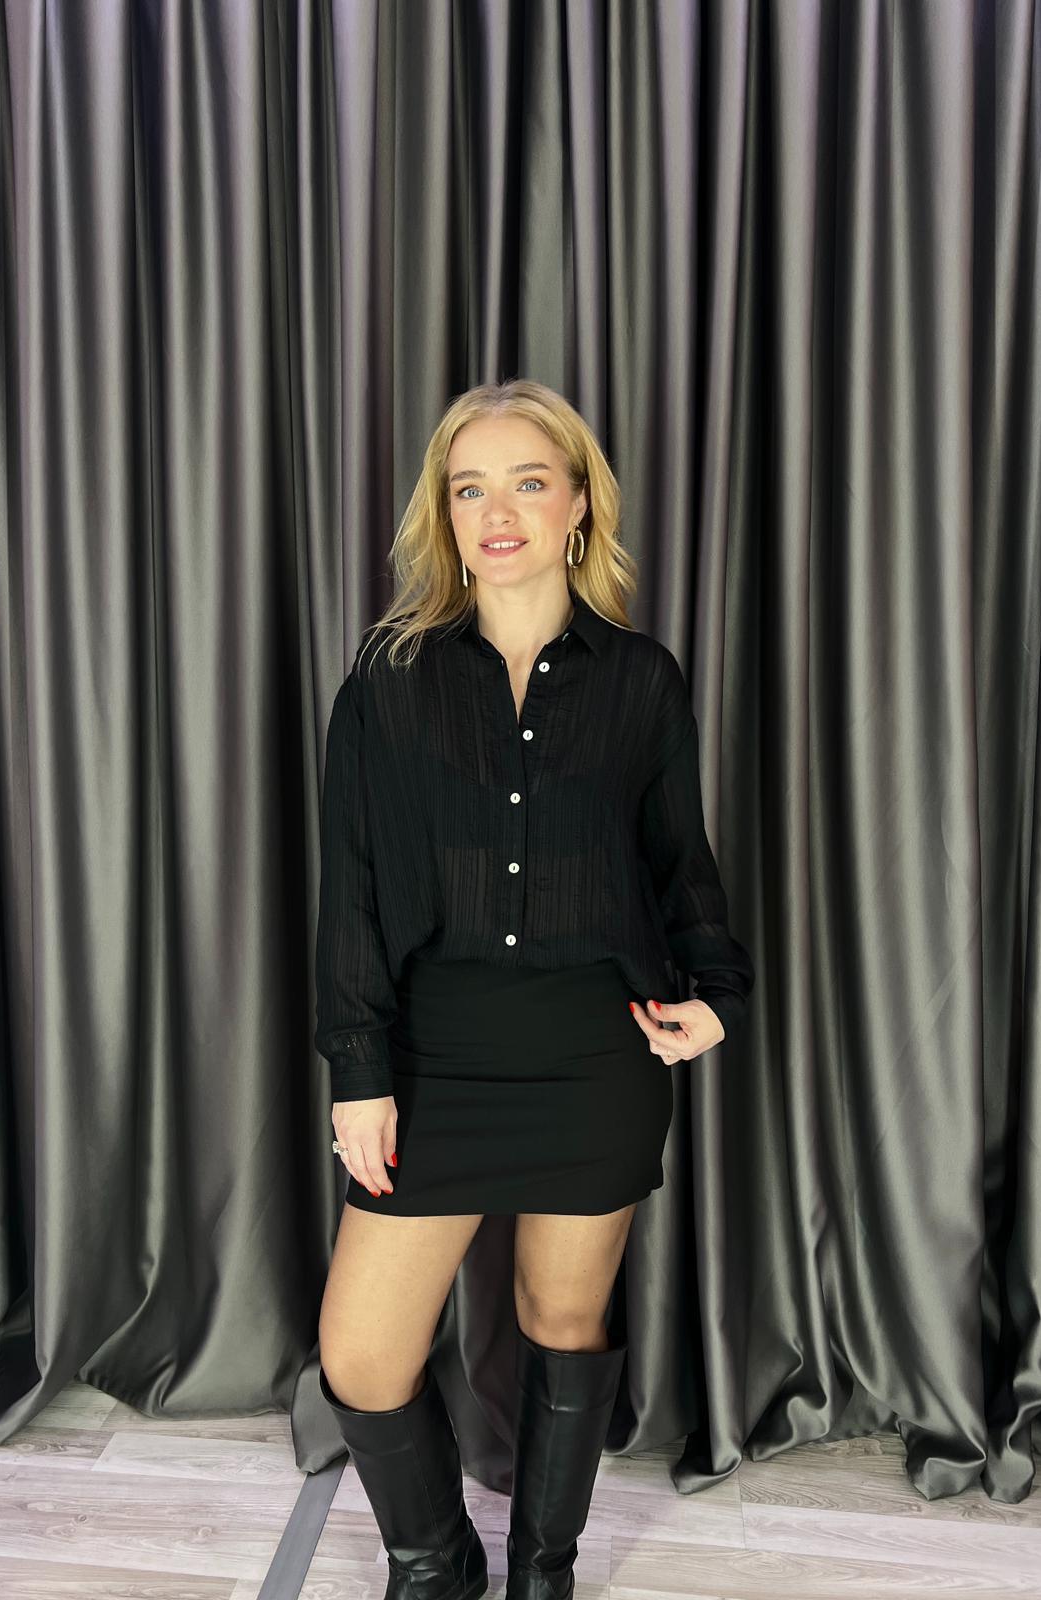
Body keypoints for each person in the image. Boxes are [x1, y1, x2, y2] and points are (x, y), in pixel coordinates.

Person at [313, 378, 754, 1600]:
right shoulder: (388, 680)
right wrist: (358, 1073)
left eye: (527, 482)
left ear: (577, 507)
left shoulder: (641, 680)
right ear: (445, 515)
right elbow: (350, 893)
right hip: (432, 1056)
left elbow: (678, 865)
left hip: (593, 1057)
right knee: (362, 1352)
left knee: (564, 1323)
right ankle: (435, 1564)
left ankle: (542, 1574)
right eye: (470, 488)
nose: (496, 513)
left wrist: (716, 993)